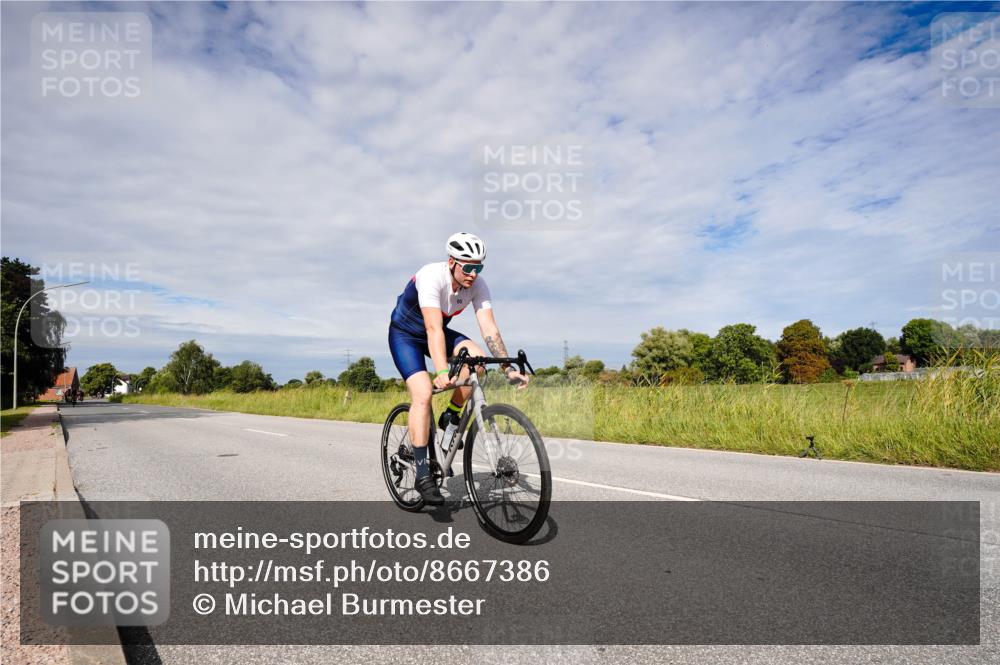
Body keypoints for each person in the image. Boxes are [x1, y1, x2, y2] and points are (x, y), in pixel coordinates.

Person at [388, 232, 529, 505]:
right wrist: (441, 372)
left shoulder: (477, 285)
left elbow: (488, 327)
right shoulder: (431, 276)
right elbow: (432, 328)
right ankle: (422, 472)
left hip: (440, 331)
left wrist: (508, 369)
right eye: (468, 267)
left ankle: (451, 417)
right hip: (406, 335)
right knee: (423, 394)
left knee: (477, 364)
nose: (474, 274)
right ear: (452, 262)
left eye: (479, 267)